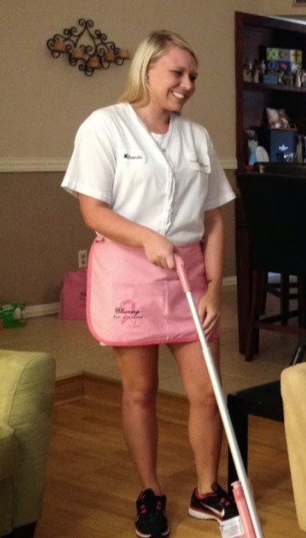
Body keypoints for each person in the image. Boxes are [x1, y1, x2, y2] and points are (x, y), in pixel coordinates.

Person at [61, 30, 237, 538]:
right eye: (177, 74)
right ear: (147, 70)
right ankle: (150, 492)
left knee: (207, 393)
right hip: (130, 272)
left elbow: (216, 218)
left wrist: (212, 288)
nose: (187, 85)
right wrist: (145, 238)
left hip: (188, 276)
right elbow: (92, 209)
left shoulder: (197, 137)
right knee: (140, 392)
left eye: (193, 77)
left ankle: (207, 491)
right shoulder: (105, 127)